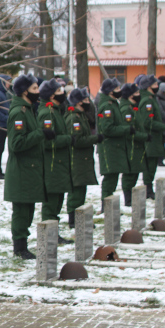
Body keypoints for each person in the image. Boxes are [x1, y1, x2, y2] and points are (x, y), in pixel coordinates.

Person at [4, 74, 44, 260]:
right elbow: (16, 144)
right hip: (21, 170)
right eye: (35, 89)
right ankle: (19, 247)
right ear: (24, 91)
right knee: (21, 212)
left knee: (28, 210)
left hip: (30, 169)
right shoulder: (19, 112)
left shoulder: (29, 109)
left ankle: (23, 246)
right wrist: (39, 133)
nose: (38, 92)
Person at [37, 79, 72, 241]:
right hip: (52, 164)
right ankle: (49, 235)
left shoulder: (56, 111)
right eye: (59, 91)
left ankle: (54, 233)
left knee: (57, 201)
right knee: (51, 203)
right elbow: (47, 141)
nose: (63, 93)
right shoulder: (48, 113)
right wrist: (67, 139)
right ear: (51, 96)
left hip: (59, 163)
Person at [65, 88, 102, 226]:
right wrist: (95, 139)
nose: (88, 102)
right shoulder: (74, 117)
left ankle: (79, 218)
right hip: (77, 160)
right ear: (78, 102)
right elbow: (77, 140)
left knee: (81, 191)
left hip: (83, 159)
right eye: (86, 100)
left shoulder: (81, 115)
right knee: (76, 192)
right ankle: (74, 220)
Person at [96, 78, 130, 210]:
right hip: (110, 148)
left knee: (113, 177)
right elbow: (107, 129)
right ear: (110, 91)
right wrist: (125, 129)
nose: (119, 91)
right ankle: (106, 207)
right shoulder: (107, 107)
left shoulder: (113, 103)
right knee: (110, 179)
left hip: (116, 147)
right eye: (116, 89)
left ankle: (109, 206)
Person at [135, 75, 165, 198]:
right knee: (149, 166)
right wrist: (163, 126)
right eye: (155, 85)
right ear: (149, 87)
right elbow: (147, 122)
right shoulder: (147, 101)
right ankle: (148, 190)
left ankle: (149, 190)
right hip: (150, 138)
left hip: (154, 137)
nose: (157, 87)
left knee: (152, 165)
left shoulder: (151, 98)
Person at [119, 83, 144, 206]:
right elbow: (128, 131)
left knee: (134, 172)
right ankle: (128, 200)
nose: (139, 95)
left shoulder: (132, 107)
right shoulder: (126, 110)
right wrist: (144, 136)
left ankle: (130, 198)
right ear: (130, 95)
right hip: (130, 147)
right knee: (129, 173)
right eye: (137, 93)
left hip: (136, 147)